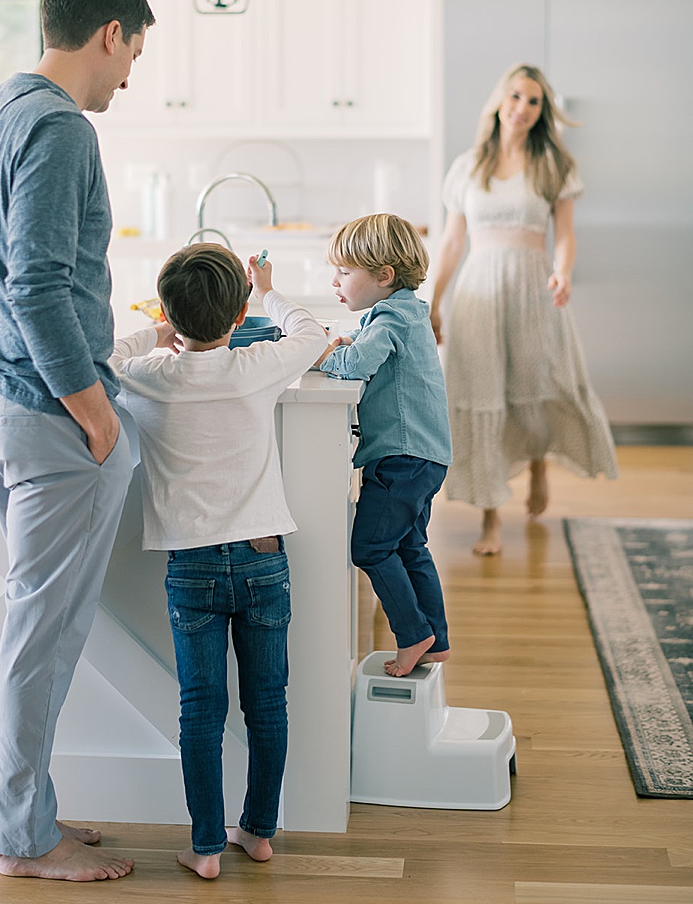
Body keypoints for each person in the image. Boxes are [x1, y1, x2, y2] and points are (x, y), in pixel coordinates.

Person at [0, 0, 155, 881]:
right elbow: (35, 284)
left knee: (36, 626)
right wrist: (97, 414)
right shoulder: (63, 129)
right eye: (134, 55)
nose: (130, 78)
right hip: (48, 415)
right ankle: (25, 837)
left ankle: (23, 815)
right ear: (108, 33)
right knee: (43, 635)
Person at [110, 244, 328, 881]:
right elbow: (311, 334)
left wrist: (158, 330)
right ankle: (258, 831)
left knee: (200, 709)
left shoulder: (151, 374)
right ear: (236, 314)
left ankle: (206, 846)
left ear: (169, 311)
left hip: (193, 568)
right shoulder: (254, 366)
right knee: (267, 704)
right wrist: (267, 291)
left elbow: (101, 358)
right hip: (264, 560)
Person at [429, 62, 618, 557]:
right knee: (483, 390)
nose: (523, 108)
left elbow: (566, 233)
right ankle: (490, 517)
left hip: (534, 288)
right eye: (516, 96)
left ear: (543, 111)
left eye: (534, 101)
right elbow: (452, 241)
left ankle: (537, 466)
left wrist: (564, 271)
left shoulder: (555, 165)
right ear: (499, 101)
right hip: (478, 292)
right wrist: (433, 300)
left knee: (535, 386)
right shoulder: (468, 166)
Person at [315, 214, 453, 678]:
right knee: (411, 544)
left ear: (383, 276)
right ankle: (435, 638)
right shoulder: (405, 311)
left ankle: (413, 634)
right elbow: (371, 345)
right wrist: (349, 339)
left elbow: (356, 364)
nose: (335, 281)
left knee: (370, 548)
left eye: (345, 272)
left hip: (400, 458)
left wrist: (322, 356)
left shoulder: (391, 315)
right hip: (425, 456)